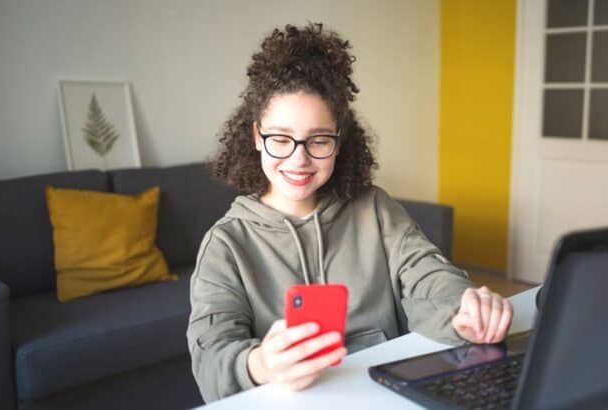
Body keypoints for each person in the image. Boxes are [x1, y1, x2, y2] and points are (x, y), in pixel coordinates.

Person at [186, 22, 514, 403]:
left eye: (319, 139)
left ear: (340, 139)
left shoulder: (374, 209)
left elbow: (428, 275)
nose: (300, 159)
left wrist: (464, 307)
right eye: (280, 139)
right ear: (257, 136)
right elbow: (210, 358)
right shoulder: (226, 244)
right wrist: (259, 364)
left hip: (386, 395)